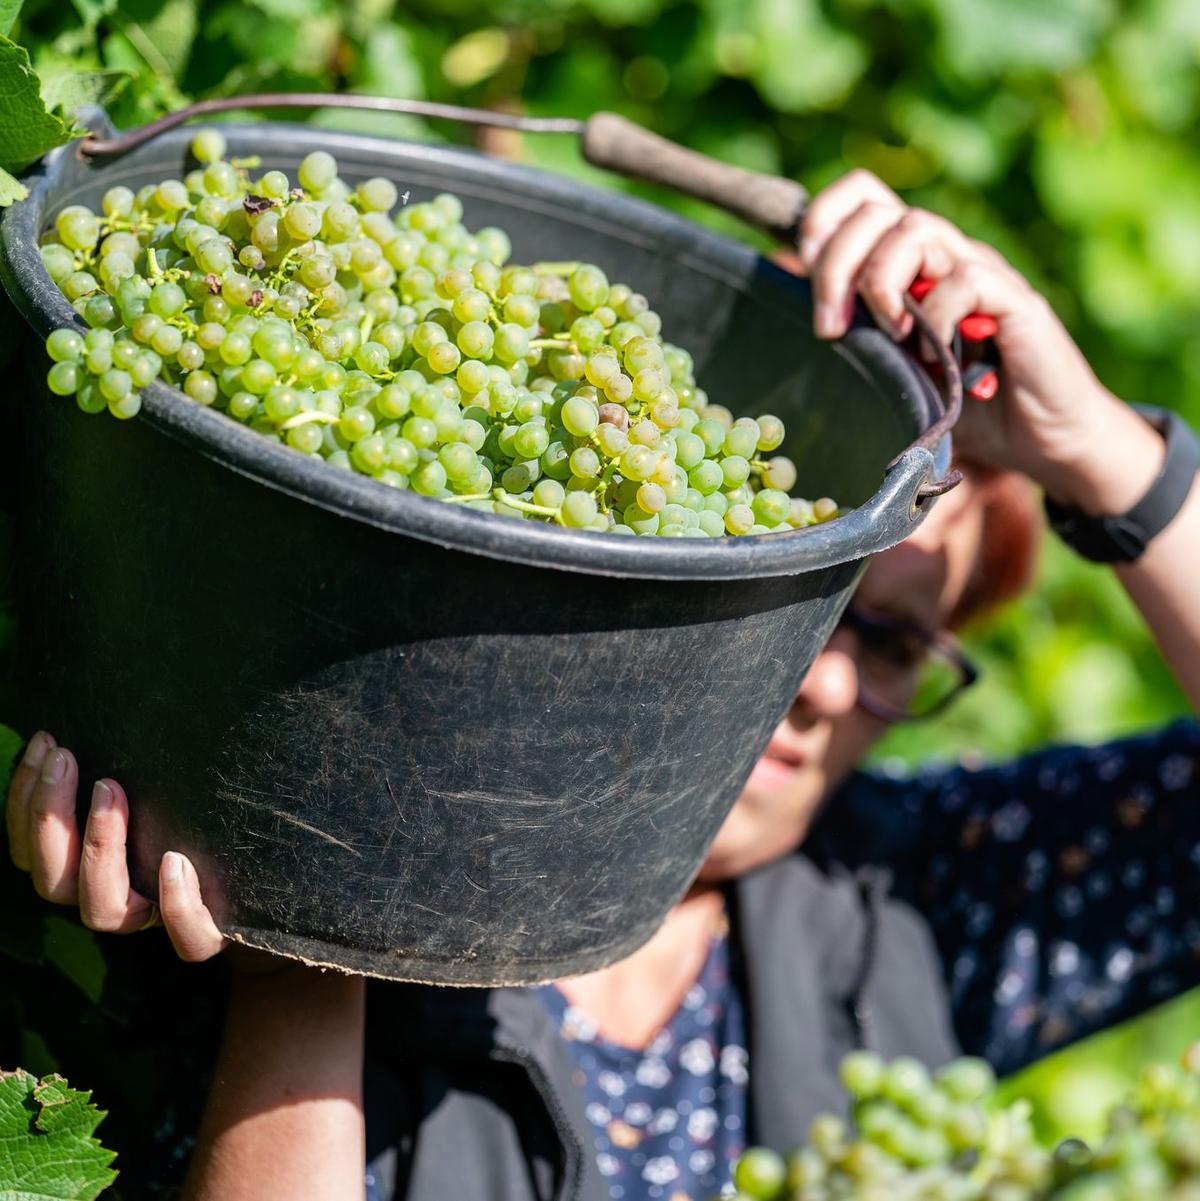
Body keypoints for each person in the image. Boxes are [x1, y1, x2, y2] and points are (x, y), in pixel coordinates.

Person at [5, 170, 1200, 1201]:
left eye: (884, 642)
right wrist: (307, 938)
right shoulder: (274, 831)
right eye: (787, 596)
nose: (821, 681)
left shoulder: (918, 901)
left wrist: (1106, 455)